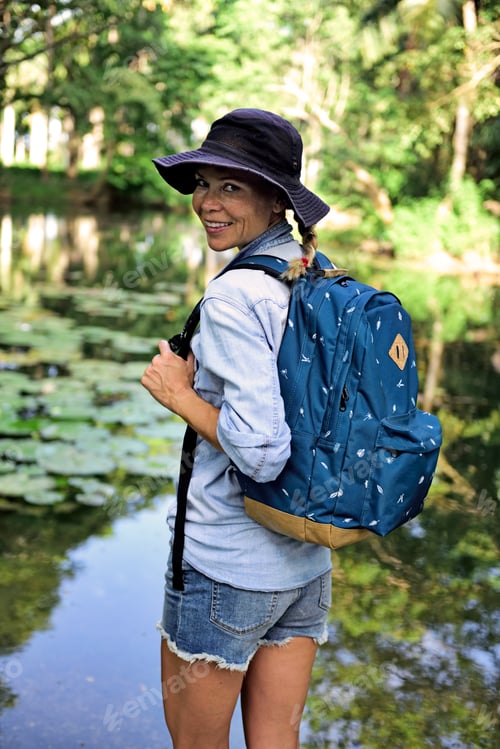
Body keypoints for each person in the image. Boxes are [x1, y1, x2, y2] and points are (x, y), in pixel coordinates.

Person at [141, 108, 332, 749]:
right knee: (276, 737)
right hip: (304, 558)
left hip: (227, 566)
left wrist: (179, 394)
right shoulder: (313, 270)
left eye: (232, 187)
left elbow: (261, 448)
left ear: (276, 200)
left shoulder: (234, 296)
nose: (207, 203)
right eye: (202, 183)